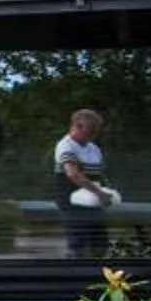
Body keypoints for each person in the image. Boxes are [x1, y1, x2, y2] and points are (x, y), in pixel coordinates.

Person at [53, 108, 119, 257]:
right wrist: (99, 193)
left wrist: (107, 191)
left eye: (96, 130)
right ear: (78, 126)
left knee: (100, 242)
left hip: (92, 200)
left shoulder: (93, 148)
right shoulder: (66, 146)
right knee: (78, 241)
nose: (94, 133)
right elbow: (73, 173)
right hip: (72, 199)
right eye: (91, 129)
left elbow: (100, 174)